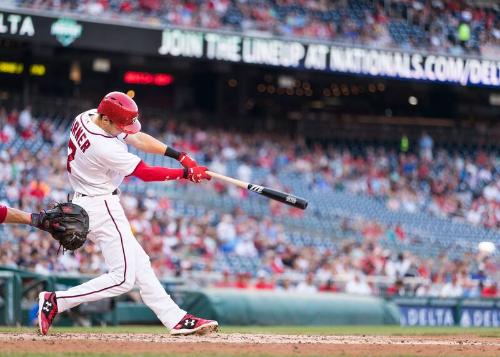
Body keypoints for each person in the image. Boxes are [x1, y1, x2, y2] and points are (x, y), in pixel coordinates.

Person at [37, 91, 218, 336]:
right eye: (122, 124)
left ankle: (175, 319)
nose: (126, 129)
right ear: (105, 120)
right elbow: (144, 172)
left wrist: (181, 157)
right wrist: (185, 174)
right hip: (101, 205)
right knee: (123, 279)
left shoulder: (87, 116)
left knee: (140, 264)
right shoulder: (104, 146)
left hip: (87, 199)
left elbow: (139, 139)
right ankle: (56, 300)